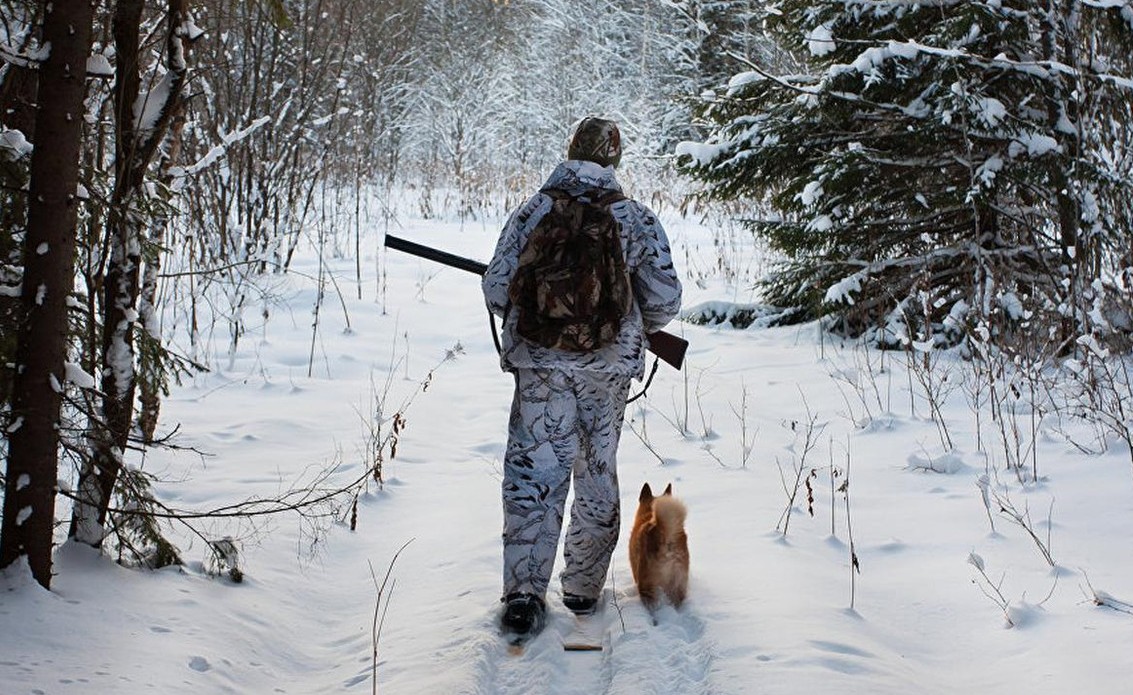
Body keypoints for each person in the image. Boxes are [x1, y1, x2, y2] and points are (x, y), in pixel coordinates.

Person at [481, 116, 683, 639]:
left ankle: (524, 596)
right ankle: (583, 589)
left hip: (540, 368)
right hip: (607, 371)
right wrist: (627, 327)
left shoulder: (533, 211)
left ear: (570, 151)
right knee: (596, 470)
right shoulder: (635, 219)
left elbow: (497, 287)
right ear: (614, 160)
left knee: (533, 475)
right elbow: (665, 298)